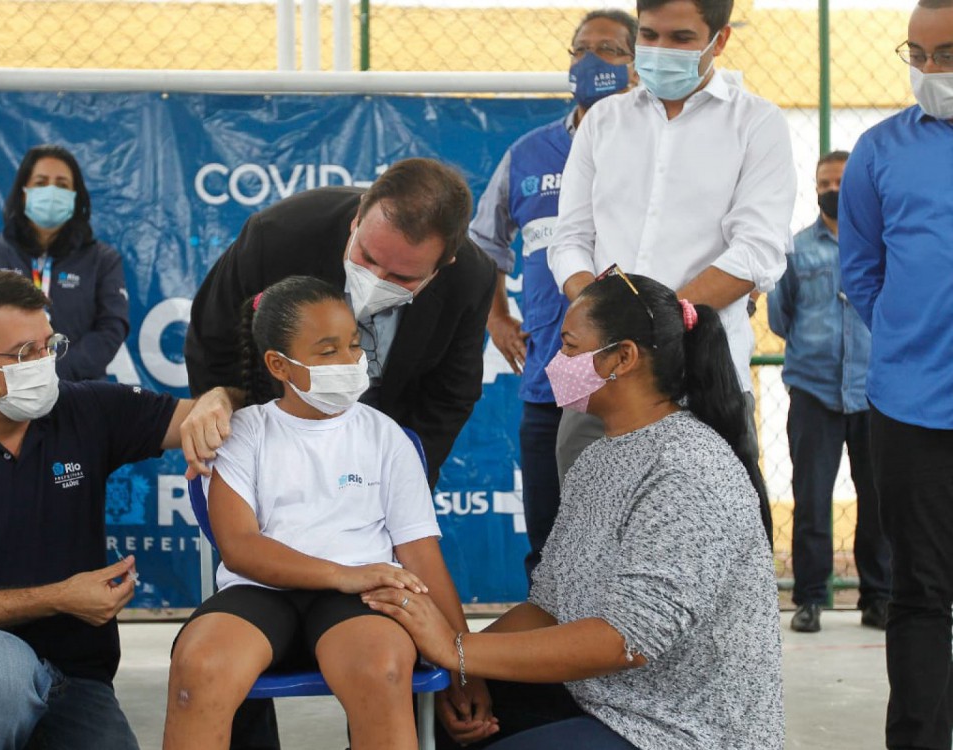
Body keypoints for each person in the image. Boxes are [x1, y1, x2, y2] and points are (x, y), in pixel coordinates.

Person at [364, 270, 784, 750]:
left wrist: (459, 649)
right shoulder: (601, 456)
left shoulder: (688, 467)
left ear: (622, 358)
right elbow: (548, 606)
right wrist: (459, 671)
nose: (554, 362)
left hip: (677, 729)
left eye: (569, 346)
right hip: (603, 700)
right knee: (424, 717)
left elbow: (627, 639)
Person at [0, 270, 239, 750]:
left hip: (73, 678)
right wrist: (58, 597)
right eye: (23, 354)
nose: (44, 363)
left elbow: (206, 413)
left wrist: (218, 399)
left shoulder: (83, 409)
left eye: (48, 345)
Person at [164, 276, 494, 749]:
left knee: (381, 669)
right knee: (201, 668)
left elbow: (421, 558)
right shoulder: (244, 433)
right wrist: (344, 574)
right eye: (327, 351)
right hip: (261, 591)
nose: (350, 361)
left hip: (361, 600)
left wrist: (465, 663)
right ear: (279, 364)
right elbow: (240, 550)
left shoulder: (386, 436)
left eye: (354, 346)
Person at [547, 0, 795, 542]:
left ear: (720, 39)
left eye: (682, 37)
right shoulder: (604, 123)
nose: (661, 50)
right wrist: (607, 322)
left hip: (701, 372)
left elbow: (757, 250)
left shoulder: (758, 123)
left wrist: (654, 329)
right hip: (599, 369)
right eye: (651, 35)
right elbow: (569, 240)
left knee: (711, 550)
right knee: (589, 547)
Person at [185, 157, 495, 489]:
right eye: (367, 257)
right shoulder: (278, 236)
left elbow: (449, 396)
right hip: (265, 447)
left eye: (401, 277)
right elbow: (213, 342)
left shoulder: (470, 279)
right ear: (358, 217)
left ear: (443, 264)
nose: (375, 280)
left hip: (380, 457)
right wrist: (246, 448)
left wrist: (399, 480)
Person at [469, 8, 636, 581]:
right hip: (551, 378)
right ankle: (553, 662)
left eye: (610, 50)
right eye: (581, 49)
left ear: (638, 66)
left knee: (628, 543)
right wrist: (496, 316)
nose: (592, 61)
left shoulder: (654, 149)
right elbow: (485, 241)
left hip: (633, 380)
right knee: (551, 546)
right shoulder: (528, 154)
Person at [839, 2, 953, 745]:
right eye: (917, 53)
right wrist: (916, 341)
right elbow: (863, 270)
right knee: (920, 592)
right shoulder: (878, 151)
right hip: (911, 407)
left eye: (946, 54)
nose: (930, 71)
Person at [767, 150, 890, 635]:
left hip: (873, 390)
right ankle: (810, 598)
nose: (832, 191)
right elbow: (780, 317)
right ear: (814, 189)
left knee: (877, 500)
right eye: (824, 183)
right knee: (811, 500)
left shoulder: (881, 244)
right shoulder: (796, 250)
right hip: (813, 391)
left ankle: (878, 597)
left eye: (840, 182)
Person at [0, 144, 128, 381]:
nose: (51, 192)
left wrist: (54, 372)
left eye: (62, 185)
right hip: (2, 388)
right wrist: (10, 373)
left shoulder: (103, 260)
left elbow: (111, 330)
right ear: (24, 193)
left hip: (76, 392)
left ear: (75, 197)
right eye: (41, 183)